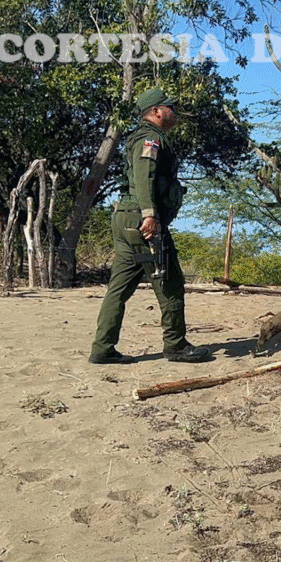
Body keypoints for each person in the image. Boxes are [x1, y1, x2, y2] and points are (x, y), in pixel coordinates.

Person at [89, 87, 210, 364]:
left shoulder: (143, 137)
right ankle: (176, 345)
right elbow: (144, 178)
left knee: (119, 288)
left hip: (126, 220)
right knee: (169, 282)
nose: (174, 112)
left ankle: (102, 348)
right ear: (156, 111)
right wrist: (150, 215)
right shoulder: (150, 139)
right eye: (170, 107)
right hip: (141, 221)